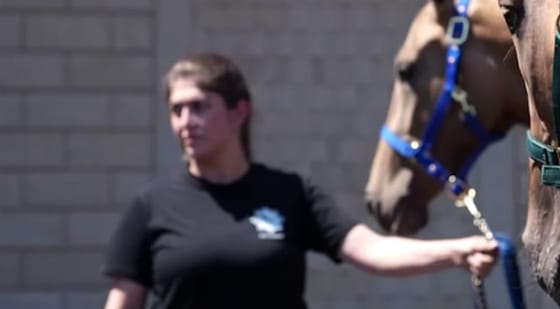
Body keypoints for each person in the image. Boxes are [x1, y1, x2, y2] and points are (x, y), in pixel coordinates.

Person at [103, 52, 499, 309]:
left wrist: (456, 252)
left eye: (199, 107)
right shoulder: (152, 206)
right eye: (177, 110)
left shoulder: (289, 194)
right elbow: (123, 301)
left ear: (239, 113)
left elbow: (373, 251)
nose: (185, 122)